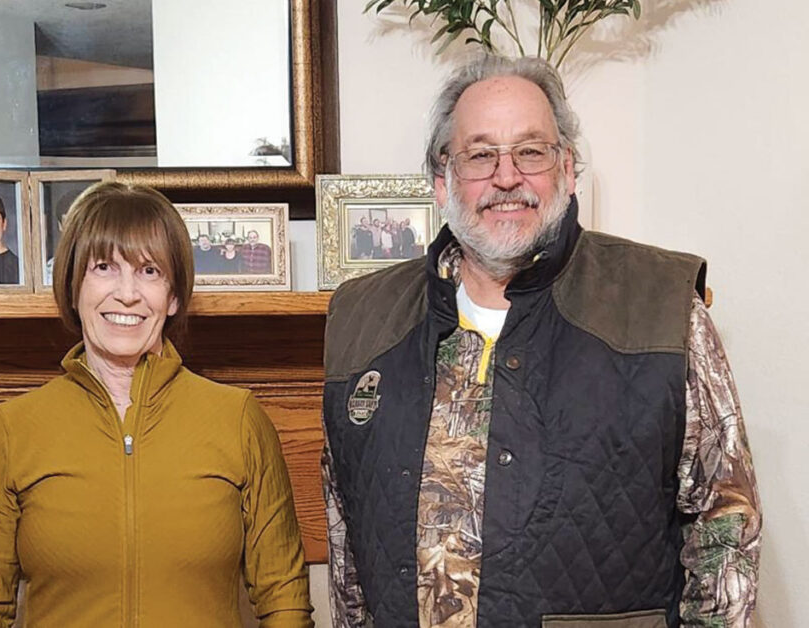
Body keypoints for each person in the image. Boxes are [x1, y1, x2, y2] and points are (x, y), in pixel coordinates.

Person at [321, 55, 761, 628]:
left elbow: (726, 526)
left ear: (567, 167)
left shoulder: (660, 304)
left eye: (530, 151)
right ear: (441, 179)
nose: (507, 177)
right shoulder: (361, 315)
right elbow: (346, 543)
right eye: (481, 154)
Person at [0, 182, 312, 627]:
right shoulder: (14, 428)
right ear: (73, 284)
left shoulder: (237, 419)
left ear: (174, 295)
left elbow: (286, 601)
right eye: (104, 267)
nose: (127, 293)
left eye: (149, 272)